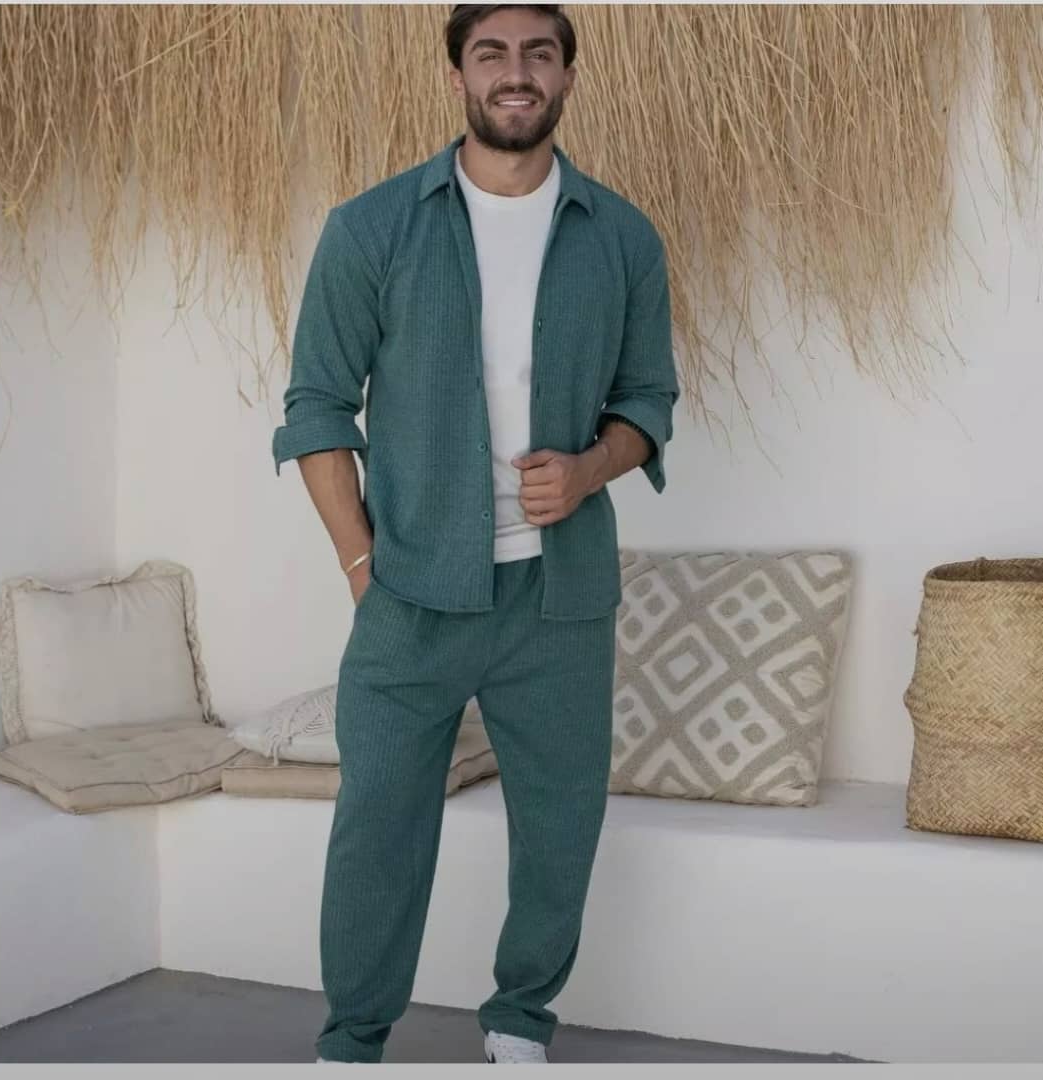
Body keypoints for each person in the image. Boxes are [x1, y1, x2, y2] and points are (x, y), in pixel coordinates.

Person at [272, 3, 680, 1064]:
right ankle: (352, 1041)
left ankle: (519, 1021)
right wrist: (361, 564)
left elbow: (648, 399)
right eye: (490, 53)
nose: (515, 72)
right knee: (377, 828)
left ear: (567, 76)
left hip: (560, 600)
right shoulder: (371, 228)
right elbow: (317, 407)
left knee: (558, 828)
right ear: (457, 74)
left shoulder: (621, 236)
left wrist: (588, 469)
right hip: (408, 593)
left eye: (538, 53)